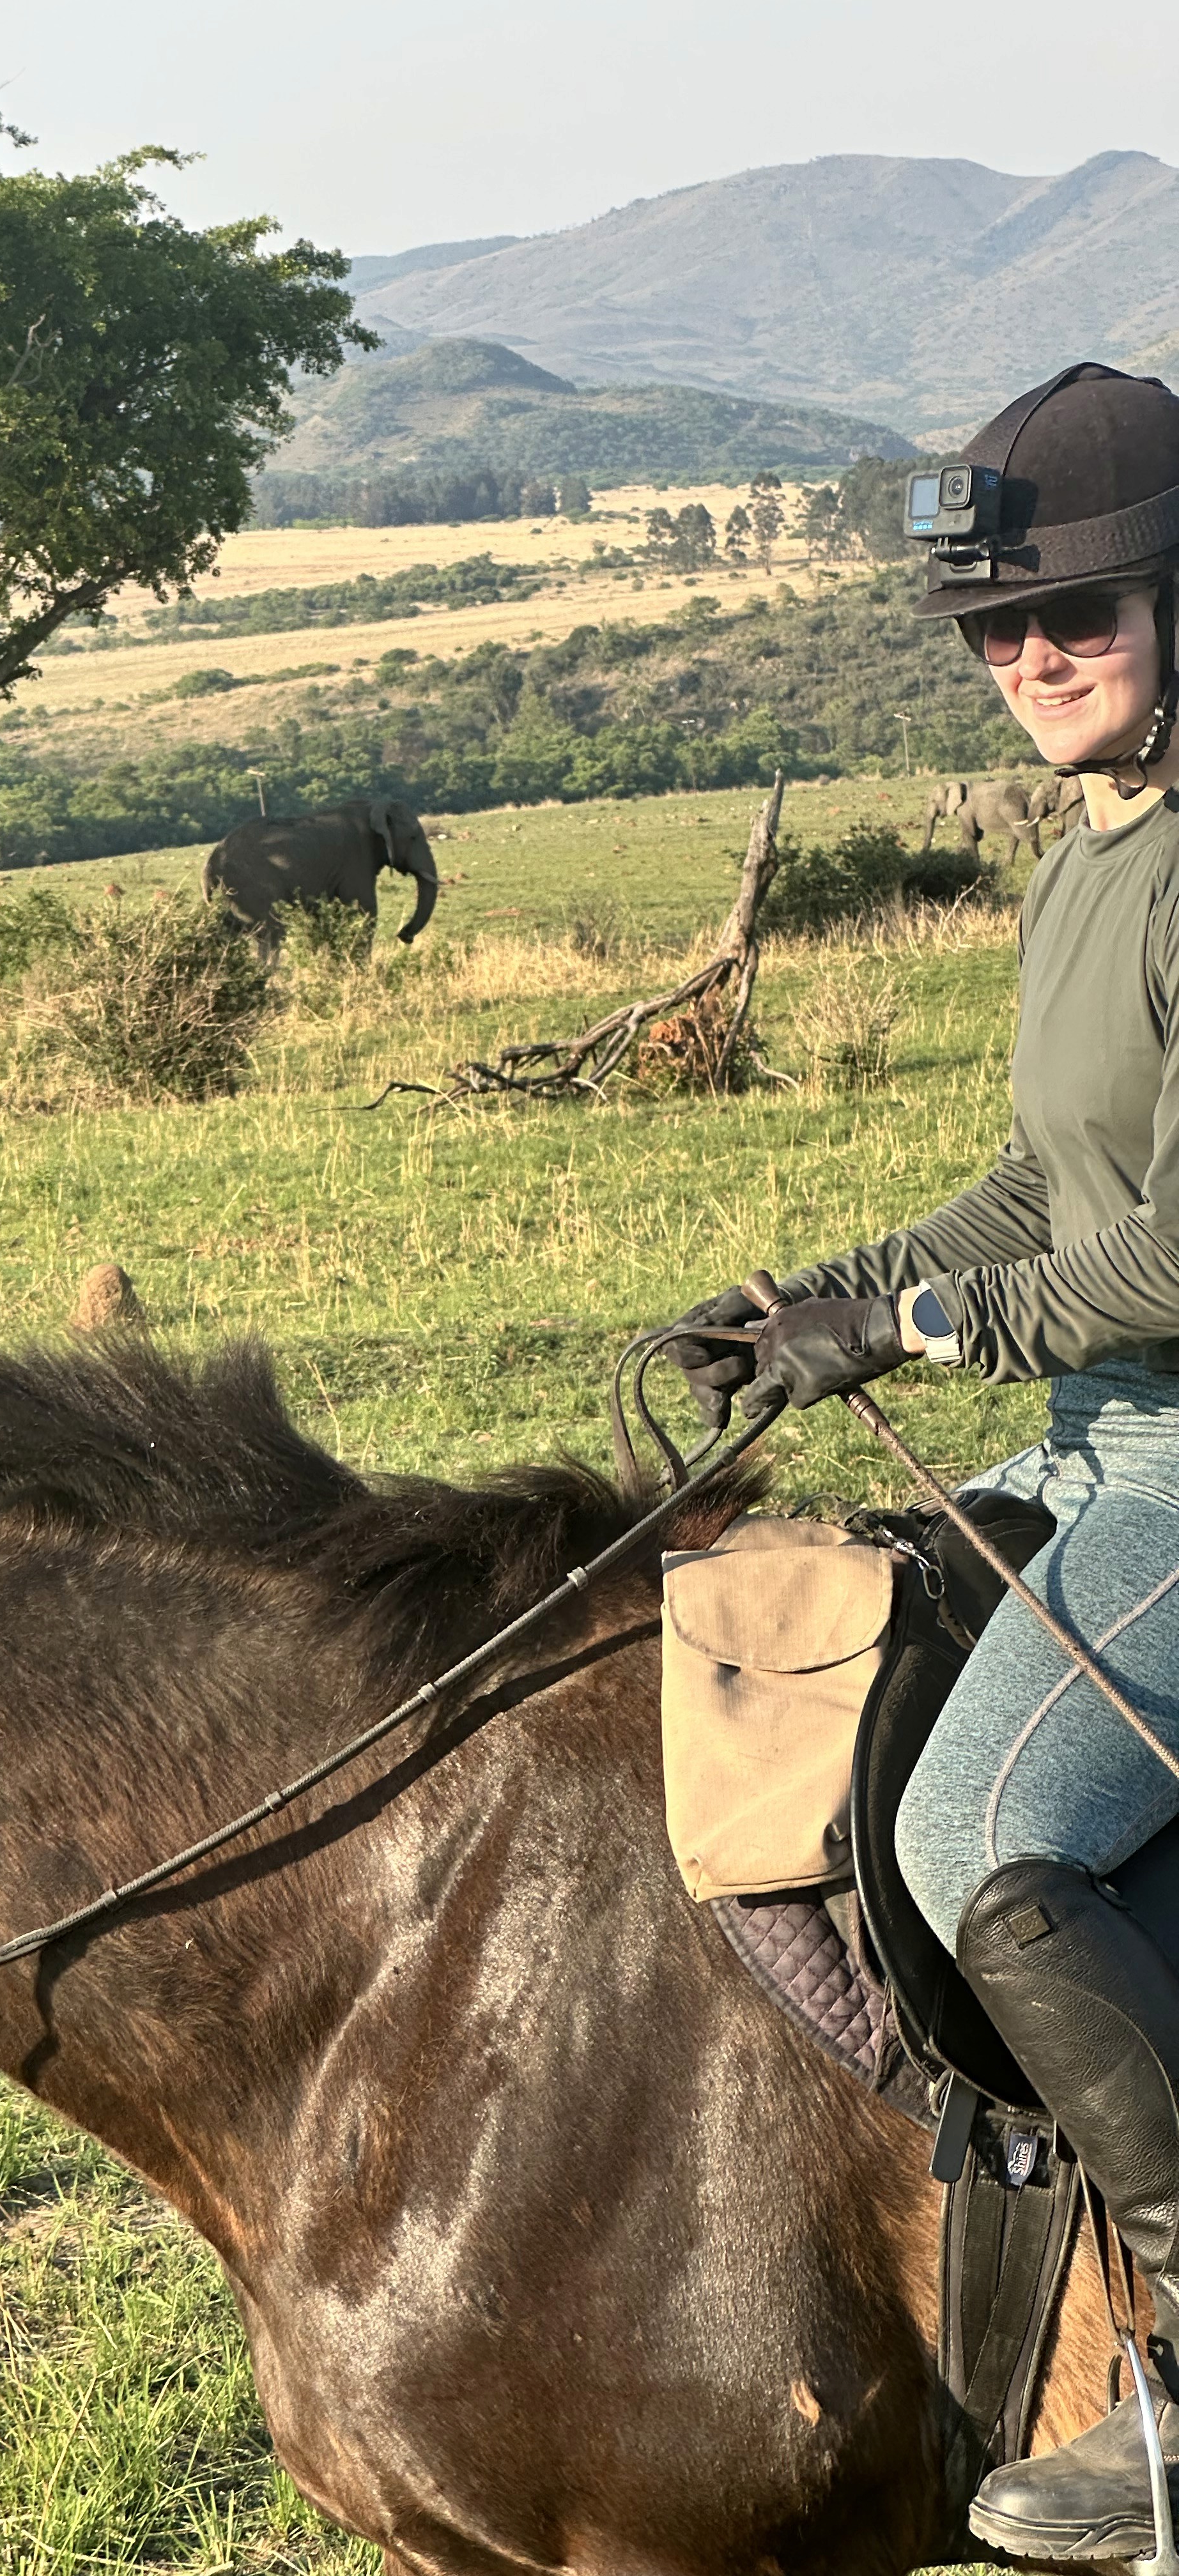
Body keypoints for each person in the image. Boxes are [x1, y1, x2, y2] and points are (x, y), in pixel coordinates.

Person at [668, 363, 1179, 2564]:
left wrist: (919, 1332)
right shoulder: (1091, 865)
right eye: (999, 630)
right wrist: (821, 1294)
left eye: (1079, 615)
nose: (1034, 659)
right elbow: (1046, 1190)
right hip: (1097, 1445)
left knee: (980, 1826)